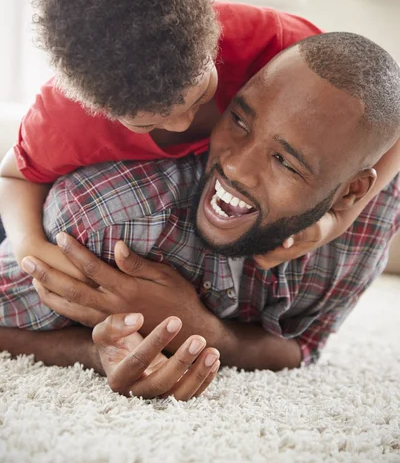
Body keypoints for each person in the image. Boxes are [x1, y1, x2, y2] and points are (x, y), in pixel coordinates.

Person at [0, 32, 399, 396]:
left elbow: (306, 346)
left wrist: (204, 330)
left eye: (284, 161)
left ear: (352, 192)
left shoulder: (375, 218)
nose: (237, 168)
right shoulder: (112, 219)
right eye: (240, 121)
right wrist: (90, 352)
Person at [0, 0, 323, 280]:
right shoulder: (66, 119)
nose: (182, 124)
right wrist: (28, 244)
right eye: (146, 122)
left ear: (210, 36)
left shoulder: (274, 46)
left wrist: (332, 223)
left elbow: (388, 110)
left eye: (200, 93)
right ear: (101, 109)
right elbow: (13, 176)